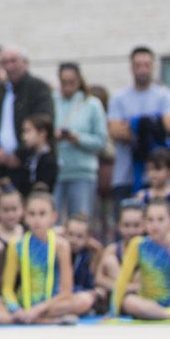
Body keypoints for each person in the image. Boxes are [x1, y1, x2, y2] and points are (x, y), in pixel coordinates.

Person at [2, 191, 94, 324]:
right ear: (25, 216)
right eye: (31, 214)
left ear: (53, 216)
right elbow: (7, 288)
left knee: (85, 300)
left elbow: (66, 291)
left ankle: (35, 318)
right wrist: (15, 308)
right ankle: (47, 321)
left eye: (42, 214)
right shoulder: (16, 244)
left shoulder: (61, 245)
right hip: (23, 303)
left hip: (51, 305)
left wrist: (39, 309)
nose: (36, 219)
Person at [108, 46, 170, 202]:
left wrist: (132, 125)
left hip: (159, 179)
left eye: (146, 65)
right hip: (125, 176)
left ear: (153, 66)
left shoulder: (165, 95)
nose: (142, 70)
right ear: (131, 67)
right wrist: (148, 125)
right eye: (138, 65)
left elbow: (166, 127)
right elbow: (115, 131)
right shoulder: (119, 98)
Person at [0, 46, 53, 184]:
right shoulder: (1, 90)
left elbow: (43, 123)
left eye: (13, 61)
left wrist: (20, 154)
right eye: (5, 62)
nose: (9, 66)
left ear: (24, 62)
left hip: (29, 162)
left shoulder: (37, 87)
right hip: (1, 164)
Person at [53, 61, 107, 223]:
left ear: (79, 80)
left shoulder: (92, 104)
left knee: (79, 221)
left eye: (72, 82)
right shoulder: (52, 100)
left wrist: (78, 138)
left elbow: (101, 140)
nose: (68, 87)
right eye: (64, 83)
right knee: (52, 220)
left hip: (82, 172)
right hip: (56, 172)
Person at [18, 114, 57, 195]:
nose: (24, 137)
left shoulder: (48, 159)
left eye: (28, 131)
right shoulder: (28, 156)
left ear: (42, 133)